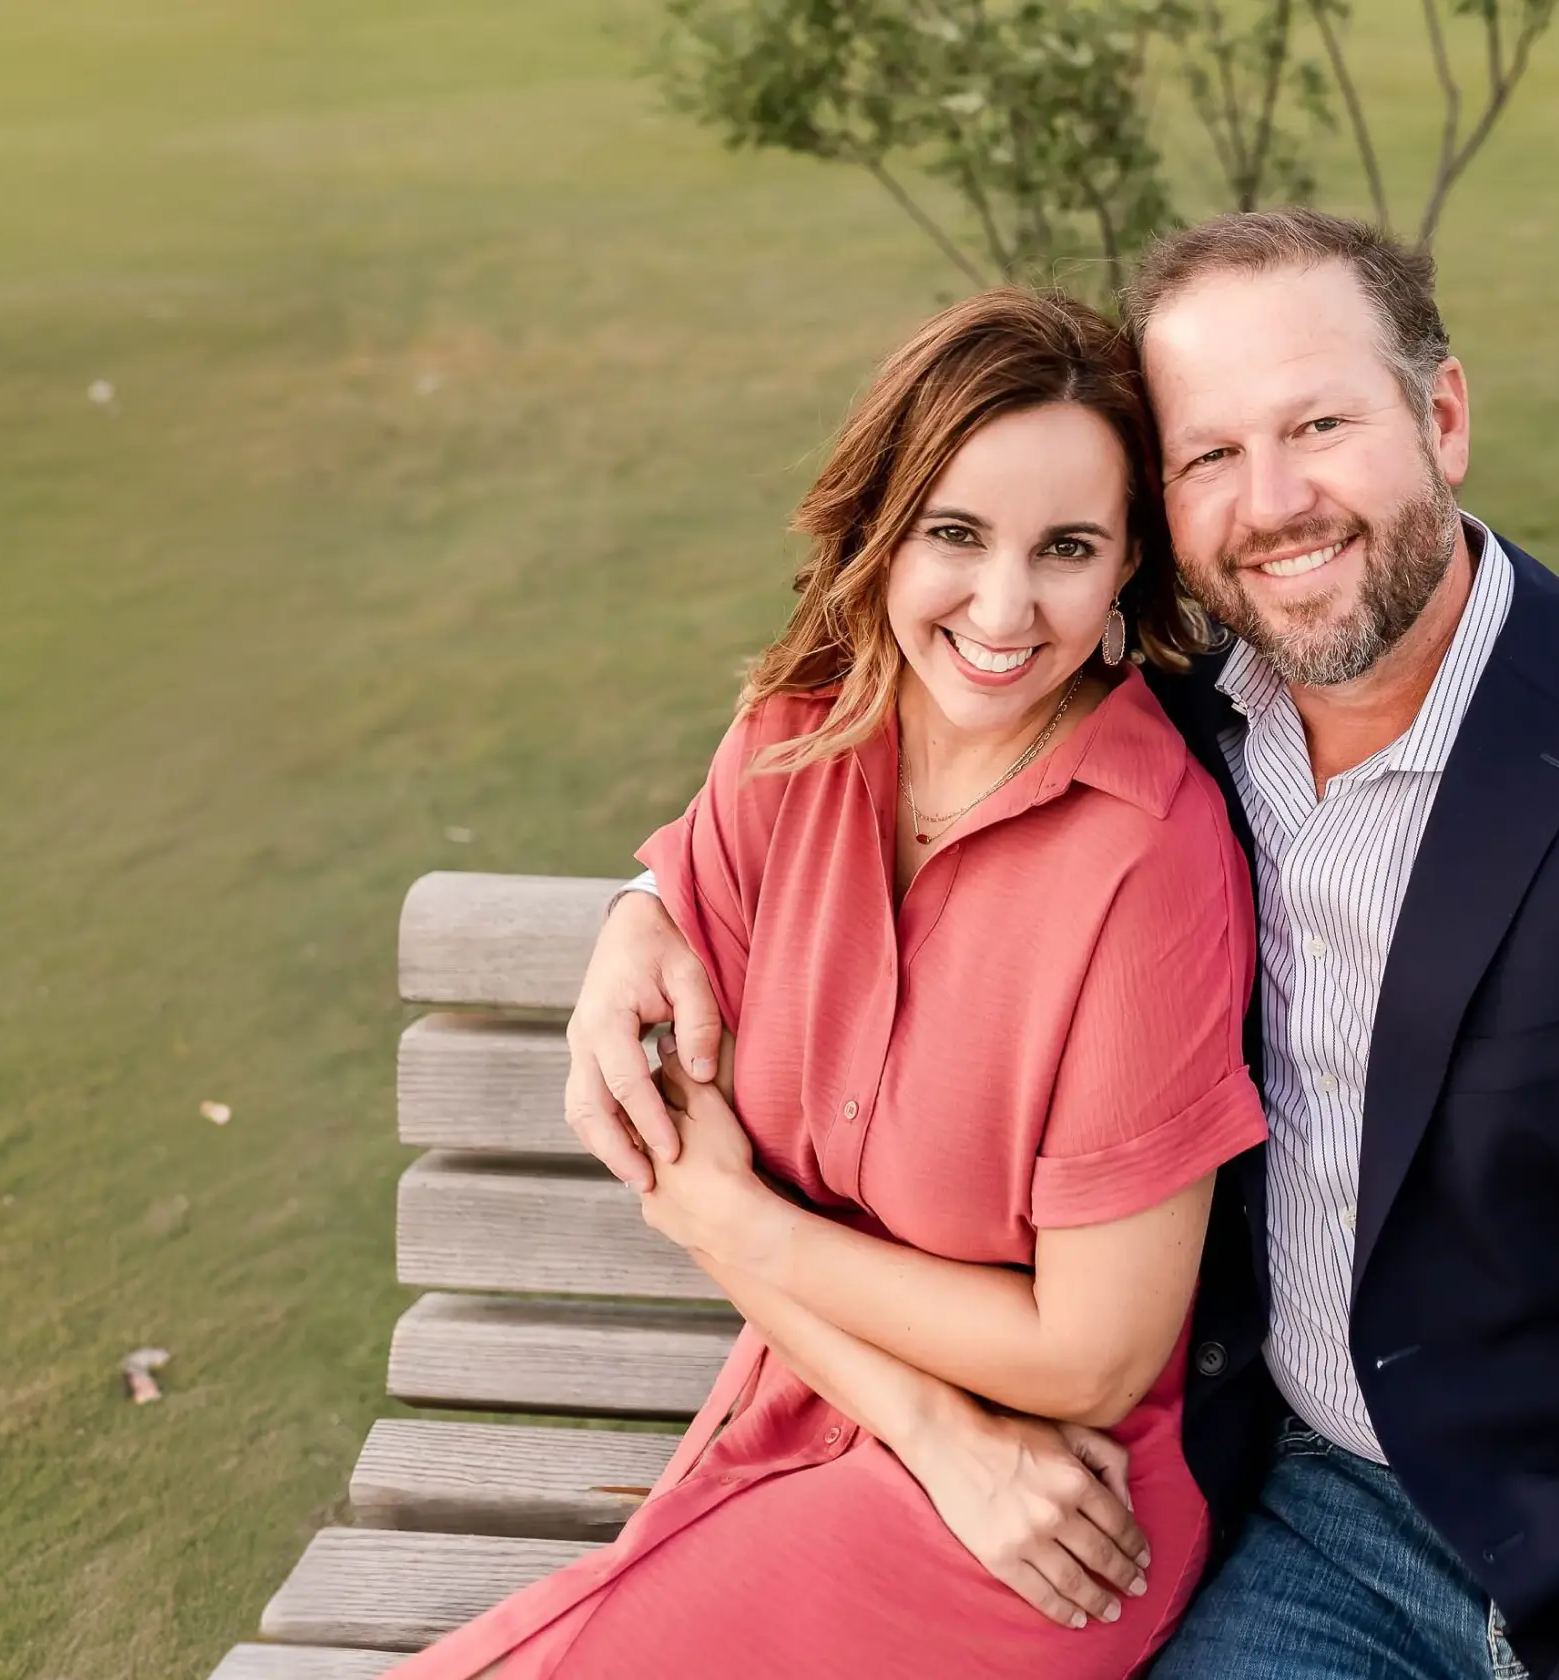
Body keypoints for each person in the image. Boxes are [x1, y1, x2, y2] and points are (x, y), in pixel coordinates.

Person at [569, 209, 1559, 1677]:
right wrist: (645, 911)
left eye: (1317, 424)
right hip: (1329, 1530)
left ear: (1440, 417)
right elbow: (854, 727)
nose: (1272, 504)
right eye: (1207, 457)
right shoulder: (1166, 737)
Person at [388, 290, 1269, 1679]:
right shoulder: (794, 741)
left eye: (1066, 549)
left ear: (1124, 575)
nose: (1001, 608)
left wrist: (749, 1223)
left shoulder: (1148, 862)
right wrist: (928, 1422)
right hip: (840, 1421)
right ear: (880, 526)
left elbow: (1090, 1359)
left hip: (1044, 1520)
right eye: (955, 535)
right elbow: (683, 1179)